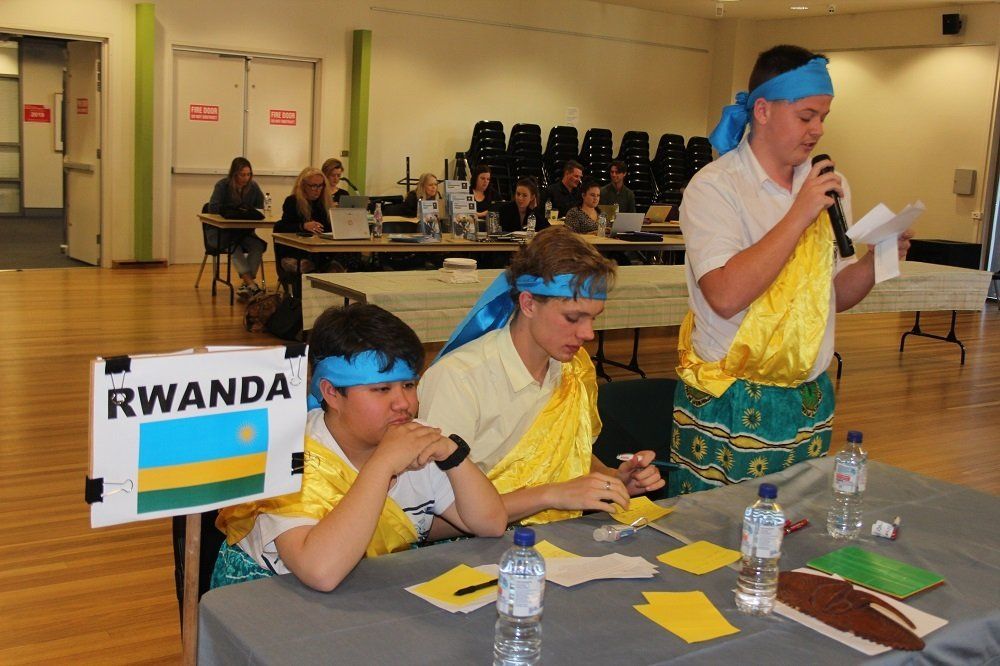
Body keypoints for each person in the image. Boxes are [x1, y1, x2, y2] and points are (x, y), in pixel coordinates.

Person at [671, 44, 913, 497]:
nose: (817, 129)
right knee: (717, 524)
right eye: (806, 116)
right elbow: (724, 295)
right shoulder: (716, 188)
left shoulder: (827, 186)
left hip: (808, 394)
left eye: (823, 116)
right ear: (763, 111)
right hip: (733, 393)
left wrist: (875, 261)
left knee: (797, 522)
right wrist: (799, 214)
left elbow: (833, 296)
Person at [212, 303, 507, 592]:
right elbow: (321, 572)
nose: (403, 403)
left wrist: (452, 455)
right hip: (270, 595)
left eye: (408, 385)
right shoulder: (288, 457)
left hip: (367, 585)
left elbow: (491, 523)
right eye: (381, 389)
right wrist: (382, 465)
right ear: (331, 393)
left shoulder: (413, 439)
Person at [418, 226, 664, 525]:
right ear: (529, 304)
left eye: (593, 318)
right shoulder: (459, 379)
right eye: (573, 318)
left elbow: (568, 451)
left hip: (555, 534)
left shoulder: (574, 368)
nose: (588, 334)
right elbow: (432, 512)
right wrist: (551, 495)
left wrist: (613, 479)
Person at [206, 157, 267, 300]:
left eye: (248, 174)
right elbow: (212, 208)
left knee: (258, 246)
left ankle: (247, 284)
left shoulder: (253, 187)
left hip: (242, 232)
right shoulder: (222, 185)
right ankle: (251, 285)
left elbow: (260, 207)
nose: (246, 178)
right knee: (235, 247)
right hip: (221, 233)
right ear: (234, 174)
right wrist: (235, 209)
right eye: (242, 174)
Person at [273, 167, 340, 289]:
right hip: (298, 251)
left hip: (321, 250)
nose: (317, 190)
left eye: (320, 186)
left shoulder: (324, 203)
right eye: (313, 186)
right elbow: (282, 226)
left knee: (346, 260)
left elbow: (328, 228)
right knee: (316, 263)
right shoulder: (292, 201)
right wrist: (303, 226)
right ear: (303, 186)